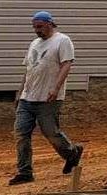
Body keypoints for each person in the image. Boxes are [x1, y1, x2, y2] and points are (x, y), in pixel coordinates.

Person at [9, 11, 84, 185]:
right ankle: (24, 171)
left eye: (40, 27)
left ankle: (72, 153)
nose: (37, 31)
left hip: (49, 98)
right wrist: (20, 93)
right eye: (34, 27)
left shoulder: (62, 41)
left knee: (50, 132)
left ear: (50, 24)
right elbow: (29, 70)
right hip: (28, 98)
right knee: (20, 133)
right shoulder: (34, 43)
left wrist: (55, 88)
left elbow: (67, 65)